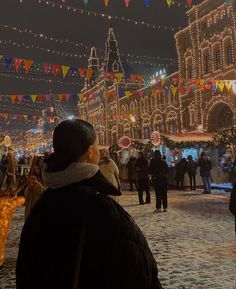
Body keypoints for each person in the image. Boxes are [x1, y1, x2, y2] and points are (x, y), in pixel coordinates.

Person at [16, 119, 163, 289]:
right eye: (97, 146)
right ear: (90, 152)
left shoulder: (42, 208)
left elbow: (25, 272)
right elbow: (139, 272)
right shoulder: (103, 210)